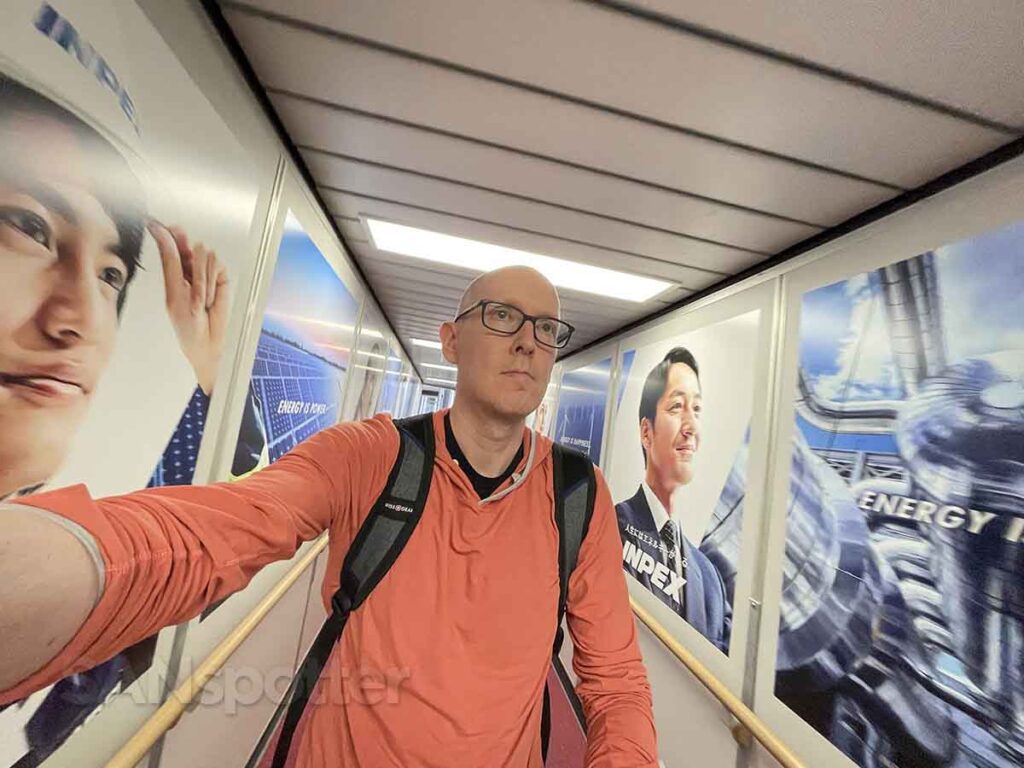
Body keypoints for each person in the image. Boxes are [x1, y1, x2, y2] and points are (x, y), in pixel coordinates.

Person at [0, 266, 659, 766]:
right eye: (503, 318)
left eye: (546, 329)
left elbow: (617, 682)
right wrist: (73, 559)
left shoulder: (577, 495)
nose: (527, 342)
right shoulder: (370, 456)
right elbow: (227, 526)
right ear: (451, 342)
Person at [0, 74, 231, 501]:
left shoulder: (69, 540)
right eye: (30, 227)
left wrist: (210, 363)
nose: (84, 321)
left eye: (110, 274)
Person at [615, 347, 732, 652]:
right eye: (677, 407)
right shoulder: (608, 528)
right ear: (646, 431)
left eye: (697, 409)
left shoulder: (710, 580)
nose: (691, 426)